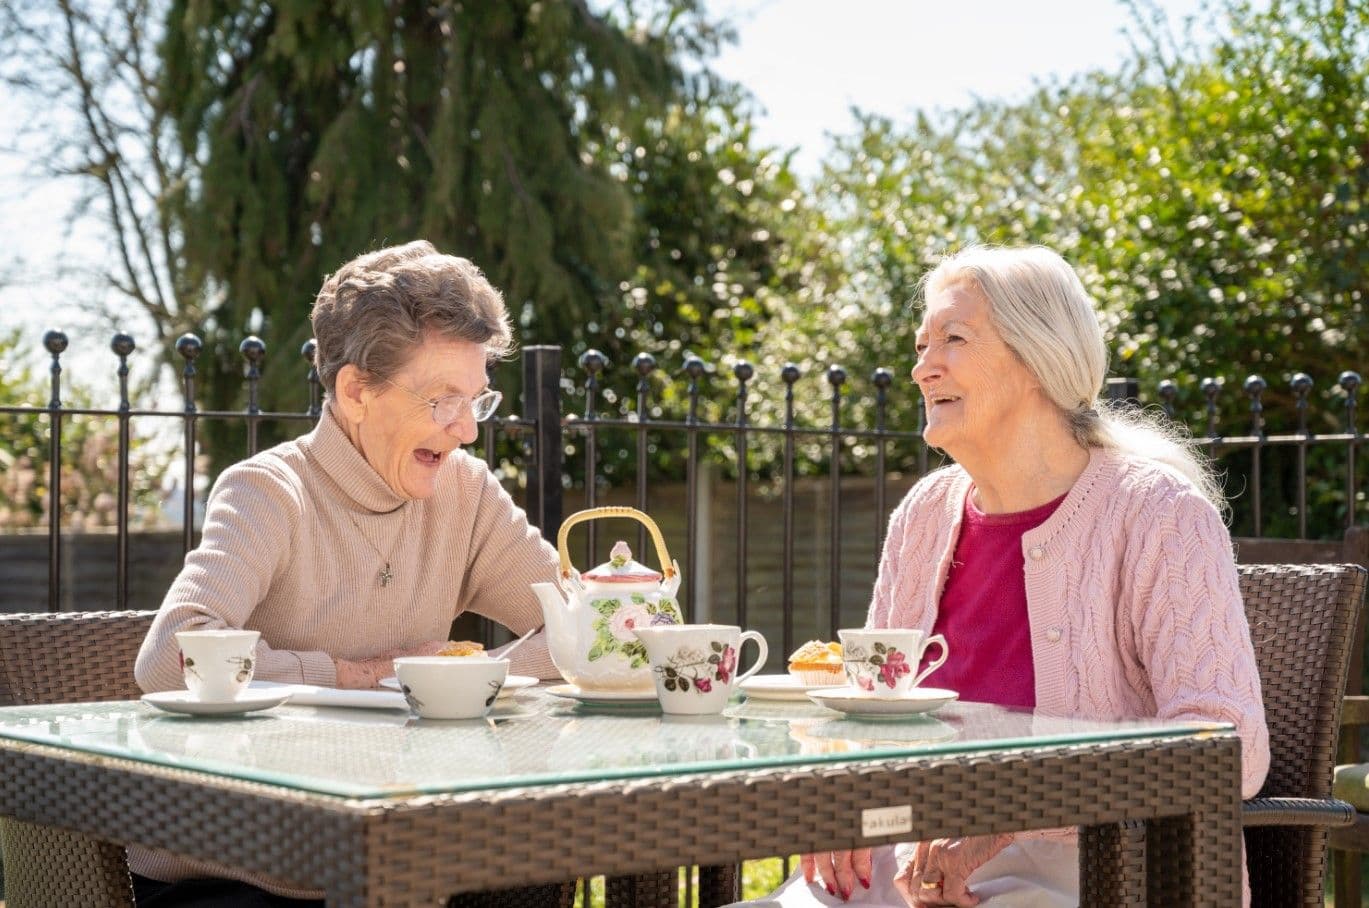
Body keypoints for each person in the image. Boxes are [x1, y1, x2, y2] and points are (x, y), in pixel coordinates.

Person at [741, 245, 1270, 908]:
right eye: (919, 344)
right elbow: (868, 711)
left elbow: (1229, 748)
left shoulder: (1157, 514)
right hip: (909, 856)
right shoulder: (923, 516)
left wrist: (1000, 819)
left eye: (952, 339)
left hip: (1096, 866)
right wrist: (839, 800)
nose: (920, 367)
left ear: (1036, 358)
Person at [133, 240, 563, 906]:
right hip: (237, 873)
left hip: (394, 860)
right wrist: (362, 676)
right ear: (356, 391)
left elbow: (583, 630)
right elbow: (168, 661)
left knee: (536, 872)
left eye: (475, 400)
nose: (467, 431)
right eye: (442, 401)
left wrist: (458, 678)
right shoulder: (269, 492)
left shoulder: (466, 492)